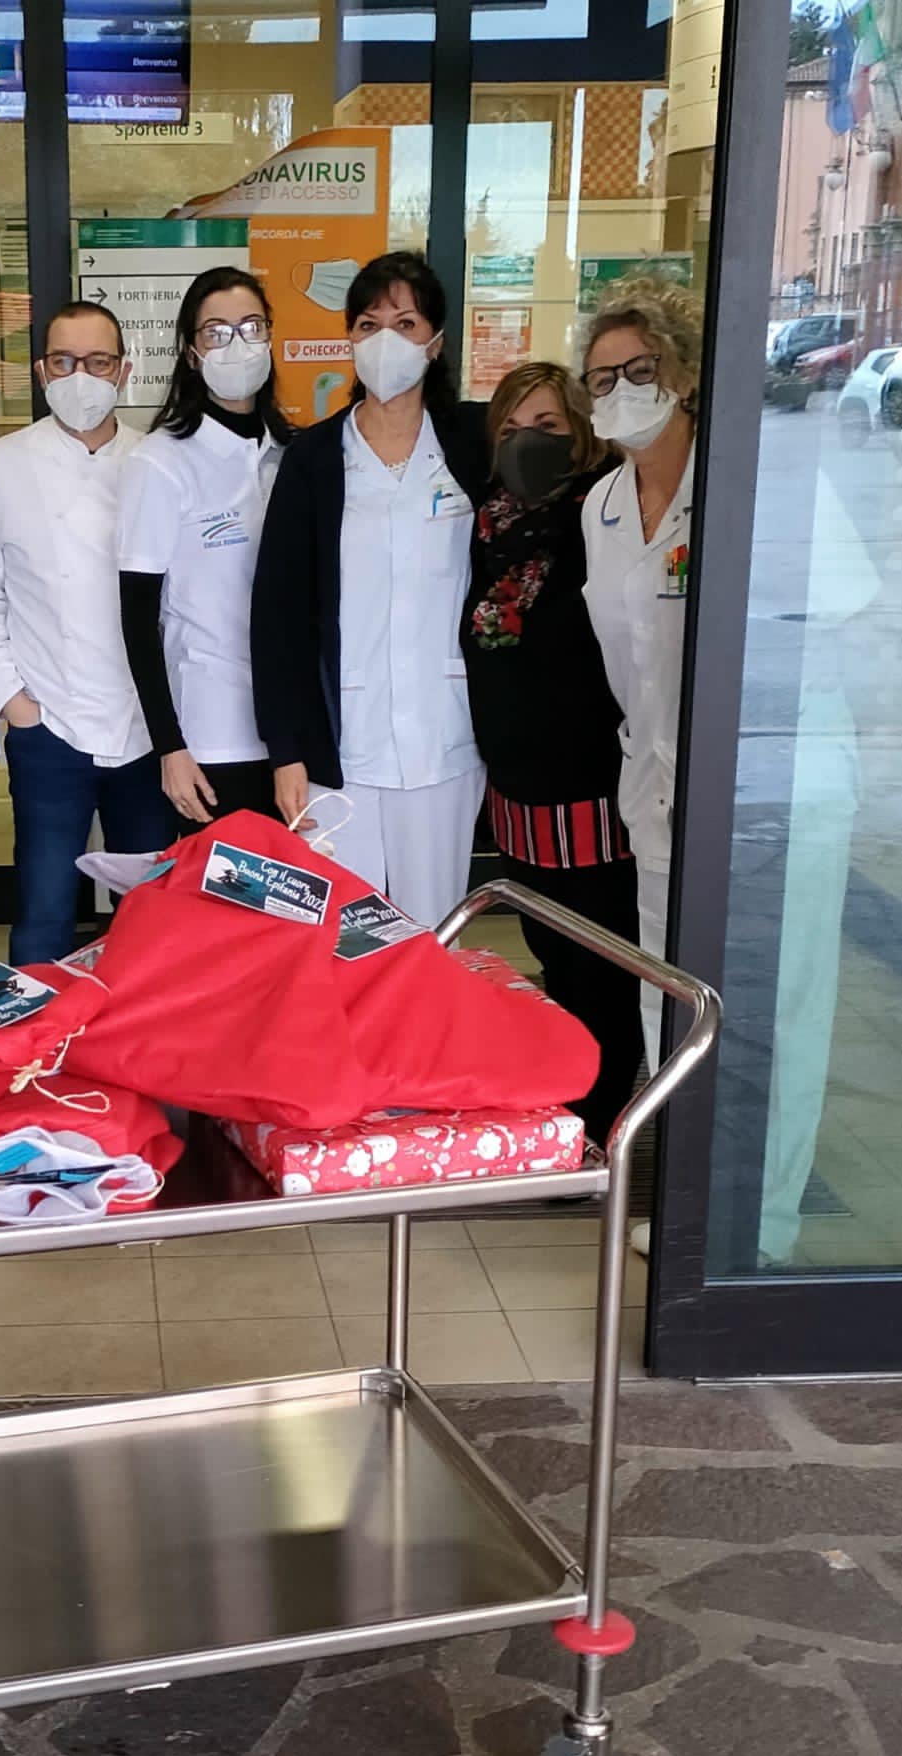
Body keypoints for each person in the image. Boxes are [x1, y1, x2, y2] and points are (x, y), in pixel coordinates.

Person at [250, 251, 489, 927]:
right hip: (339, 748)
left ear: (435, 342)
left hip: (445, 737)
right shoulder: (315, 458)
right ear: (349, 340)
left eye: (405, 324)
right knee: (340, 937)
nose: (386, 340)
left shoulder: (473, 445)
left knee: (432, 932)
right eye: (368, 324)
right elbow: (276, 616)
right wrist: (286, 752)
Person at [460, 360, 638, 1145]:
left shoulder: (597, 521)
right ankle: (565, 1106)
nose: (525, 442)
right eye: (510, 428)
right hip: (515, 790)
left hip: (589, 789)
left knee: (599, 967)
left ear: (581, 435)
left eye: (546, 427)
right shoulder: (487, 527)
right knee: (550, 958)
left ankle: (603, 1126)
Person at [0, 300, 174, 964]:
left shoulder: (156, 462)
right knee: (43, 908)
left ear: (124, 372)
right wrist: (14, 702)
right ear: (41, 372)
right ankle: (32, 1029)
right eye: (63, 362)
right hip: (48, 725)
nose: (79, 376)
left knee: (148, 917)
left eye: (97, 362)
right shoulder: (0, 465)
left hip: (145, 728)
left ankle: (136, 1027)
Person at [578, 275, 701, 1089]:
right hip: (649, 784)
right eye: (601, 379)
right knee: (663, 990)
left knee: (754, 1001)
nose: (620, 391)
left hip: (733, 796)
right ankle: (671, 1148)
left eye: (639, 370)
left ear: (681, 374)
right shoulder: (602, 506)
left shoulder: (734, 482)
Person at [118, 267, 292, 832]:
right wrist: (170, 747)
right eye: (216, 332)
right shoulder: (161, 461)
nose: (237, 344)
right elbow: (137, 616)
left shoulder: (291, 453)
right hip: (212, 733)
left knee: (295, 887)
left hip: (293, 734)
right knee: (225, 884)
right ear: (191, 353)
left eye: (251, 327)